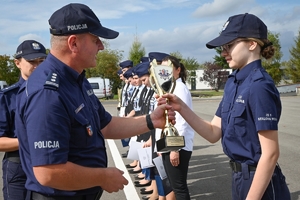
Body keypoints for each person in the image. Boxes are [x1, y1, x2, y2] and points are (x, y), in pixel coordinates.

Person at [14, 3, 175, 200]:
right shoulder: (47, 93)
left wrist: (151, 120)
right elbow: (49, 172)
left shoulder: (76, 80)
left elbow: (105, 125)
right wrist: (102, 176)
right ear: (73, 43)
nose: (101, 46)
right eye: (95, 40)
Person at [158, 13, 291, 200]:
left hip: (261, 182)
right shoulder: (233, 83)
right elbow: (213, 132)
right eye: (222, 47)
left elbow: (270, 154)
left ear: (252, 44)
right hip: (239, 177)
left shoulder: (260, 85)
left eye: (229, 45)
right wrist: (181, 107)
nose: (223, 52)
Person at [0, 40, 47, 200]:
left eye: (42, 62)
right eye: (32, 62)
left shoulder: (54, 93)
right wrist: (31, 141)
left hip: (50, 163)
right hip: (18, 165)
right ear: (17, 63)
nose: (37, 66)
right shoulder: (8, 97)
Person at [160, 56, 194, 200]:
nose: (164, 73)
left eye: (168, 69)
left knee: (179, 188)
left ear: (178, 70)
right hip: (169, 142)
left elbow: (181, 121)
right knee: (173, 186)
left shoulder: (179, 88)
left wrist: (174, 149)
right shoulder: (169, 86)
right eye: (161, 69)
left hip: (178, 145)